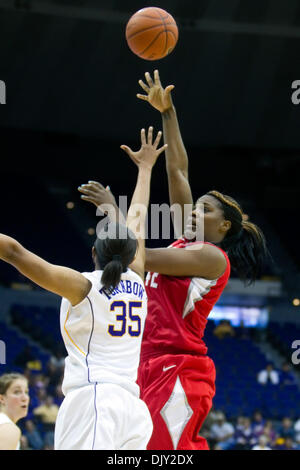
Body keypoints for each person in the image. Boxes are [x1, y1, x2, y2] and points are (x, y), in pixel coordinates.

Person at [79, 70, 269, 450]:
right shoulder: (186, 243)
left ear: (225, 225)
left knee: (169, 453)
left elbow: (139, 257)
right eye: (195, 206)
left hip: (178, 367)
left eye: (206, 210)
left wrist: (113, 212)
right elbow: (178, 170)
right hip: (141, 362)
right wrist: (168, 112)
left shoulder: (211, 258)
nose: (195, 211)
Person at [0, 126, 167, 450]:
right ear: (132, 254)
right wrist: (146, 169)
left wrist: (145, 168)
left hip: (95, 400)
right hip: (133, 408)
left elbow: (13, 252)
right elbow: (137, 218)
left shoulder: (82, 286)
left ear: (94, 254)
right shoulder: (137, 278)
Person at [0, 372, 30, 450]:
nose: (25, 398)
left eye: (26, 392)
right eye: (17, 392)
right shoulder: (8, 428)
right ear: (2, 398)